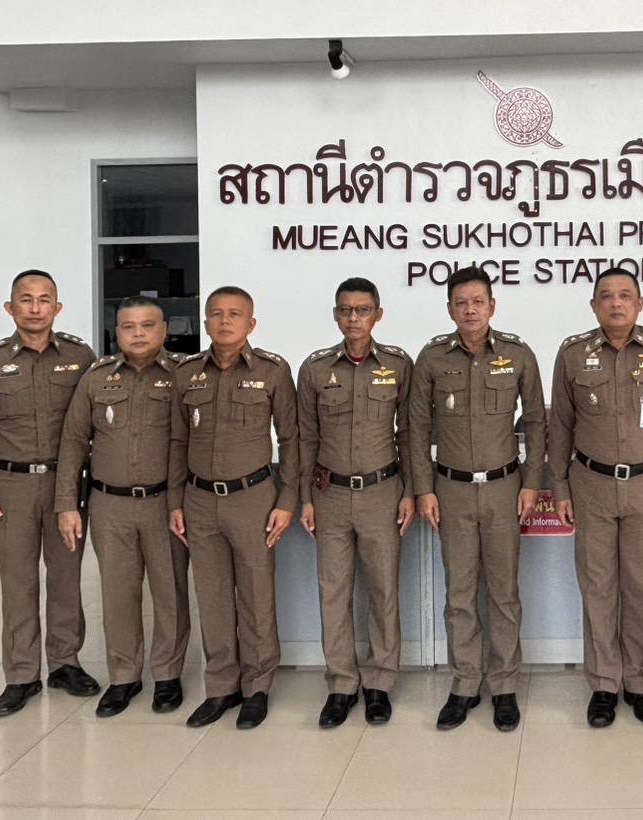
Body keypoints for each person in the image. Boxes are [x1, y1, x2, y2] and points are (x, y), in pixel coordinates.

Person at [547, 267, 643, 728]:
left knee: (641, 585)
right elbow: (560, 425)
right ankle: (604, 684)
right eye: (607, 296)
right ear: (594, 306)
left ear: (640, 304)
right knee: (597, 588)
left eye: (625, 295)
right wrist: (559, 486)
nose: (616, 303)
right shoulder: (573, 354)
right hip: (589, 483)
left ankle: (640, 682)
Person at [407, 265, 546, 732]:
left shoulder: (518, 354)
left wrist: (532, 483)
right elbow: (416, 429)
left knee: (504, 593)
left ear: (492, 306)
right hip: (451, 490)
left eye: (478, 302)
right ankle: (465, 683)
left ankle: (504, 685)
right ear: (450, 309)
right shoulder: (432, 358)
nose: (470, 310)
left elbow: (536, 423)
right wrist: (424, 488)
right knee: (460, 593)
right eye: (461, 303)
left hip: (506, 488)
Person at [0, 269, 100, 717]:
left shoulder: (80, 356)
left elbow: (97, 419)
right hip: (10, 485)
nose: (35, 308)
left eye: (44, 300)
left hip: (66, 484)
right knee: (17, 582)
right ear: (10, 307)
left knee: (65, 577)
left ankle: (64, 663)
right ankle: (21, 674)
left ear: (57, 307)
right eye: (26, 299)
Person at [169, 286, 300, 730]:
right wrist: (175, 501)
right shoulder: (187, 373)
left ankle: (257, 686)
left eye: (235, 314)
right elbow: (177, 441)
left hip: (253, 498)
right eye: (216, 314)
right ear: (205, 322)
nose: (225, 322)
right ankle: (221, 685)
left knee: (256, 595)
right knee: (213, 597)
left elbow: (292, 439)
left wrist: (287, 499)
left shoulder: (272, 371)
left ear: (251, 323)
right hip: (199, 500)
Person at [56, 296, 190, 718]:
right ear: (117, 332)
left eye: (147, 325)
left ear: (164, 330)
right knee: (118, 593)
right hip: (109, 503)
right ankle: (124, 676)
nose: (138, 334)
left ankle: (167, 675)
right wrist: (67, 503)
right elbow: (73, 442)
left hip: (164, 503)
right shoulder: (96, 378)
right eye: (129, 326)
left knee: (170, 592)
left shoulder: (186, 375)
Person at [297, 277, 415, 729]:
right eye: (346, 310)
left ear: (377, 315)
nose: (354, 318)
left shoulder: (398, 365)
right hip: (329, 494)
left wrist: (409, 491)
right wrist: (305, 497)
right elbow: (306, 439)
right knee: (333, 590)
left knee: (383, 590)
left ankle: (380, 682)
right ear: (335, 315)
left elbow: (409, 433)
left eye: (363, 310)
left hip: (383, 492)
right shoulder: (315, 369)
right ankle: (341, 685)